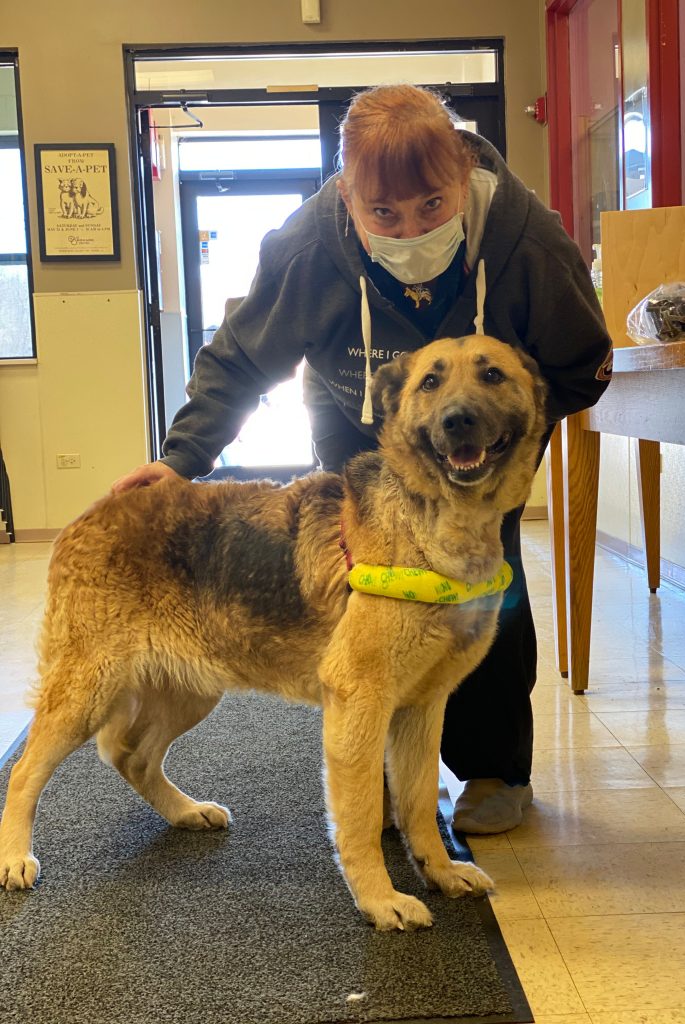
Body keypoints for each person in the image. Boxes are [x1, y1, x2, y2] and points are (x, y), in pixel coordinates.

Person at [114, 84, 613, 833]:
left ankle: (493, 768)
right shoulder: (308, 247)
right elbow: (242, 360)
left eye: (432, 208)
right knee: (369, 608)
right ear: (347, 195)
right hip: (360, 429)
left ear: (462, 177)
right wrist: (181, 458)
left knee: (482, 591)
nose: (410, 229)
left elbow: (582, 362)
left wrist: (515, 445)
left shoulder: (526, 241)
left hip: (486, 449)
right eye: (384, 213)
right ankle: (375, 769)